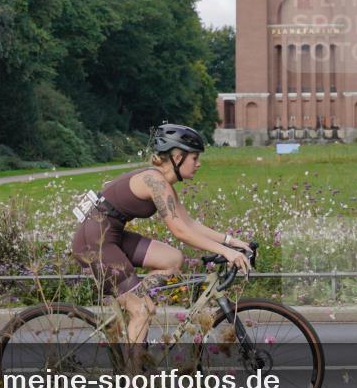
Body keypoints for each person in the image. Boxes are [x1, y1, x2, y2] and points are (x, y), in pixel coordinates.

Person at [71, 124, 251, 355]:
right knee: (142, 310)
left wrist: (230, 241)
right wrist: (227, 253)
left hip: (109, 236)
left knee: (172, 259)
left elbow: (189, 224)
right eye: (194, 158)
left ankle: (132, 299)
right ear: (177, 157)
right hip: (94, 242)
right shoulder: (153, 182)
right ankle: (133, 384)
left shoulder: (161, 183)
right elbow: (181, 232)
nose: (199, 163)